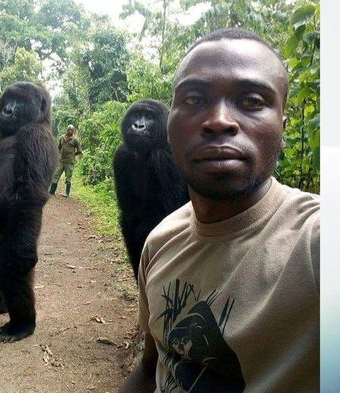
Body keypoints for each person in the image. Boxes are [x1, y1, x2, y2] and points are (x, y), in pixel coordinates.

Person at [119, 28, 320, 393]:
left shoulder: (315, 241)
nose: (219, 120)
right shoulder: (160, 242)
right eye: (195, 100)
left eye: (253, 100)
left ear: (283, 129)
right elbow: (152, 371)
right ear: (171, 127)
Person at [49, 124, 83, 198]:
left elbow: (79, 151)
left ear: (73, 131)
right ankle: (52, 191)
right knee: (55, 175)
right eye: (69, 129)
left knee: (68, 177)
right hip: (61, 161)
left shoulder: (75, 140)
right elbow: (58, 148)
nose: (70, 131)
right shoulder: (62, 138)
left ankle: (67, 193)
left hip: (69, 162)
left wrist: (73, 154)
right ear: (66, 130)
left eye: (71, 130)